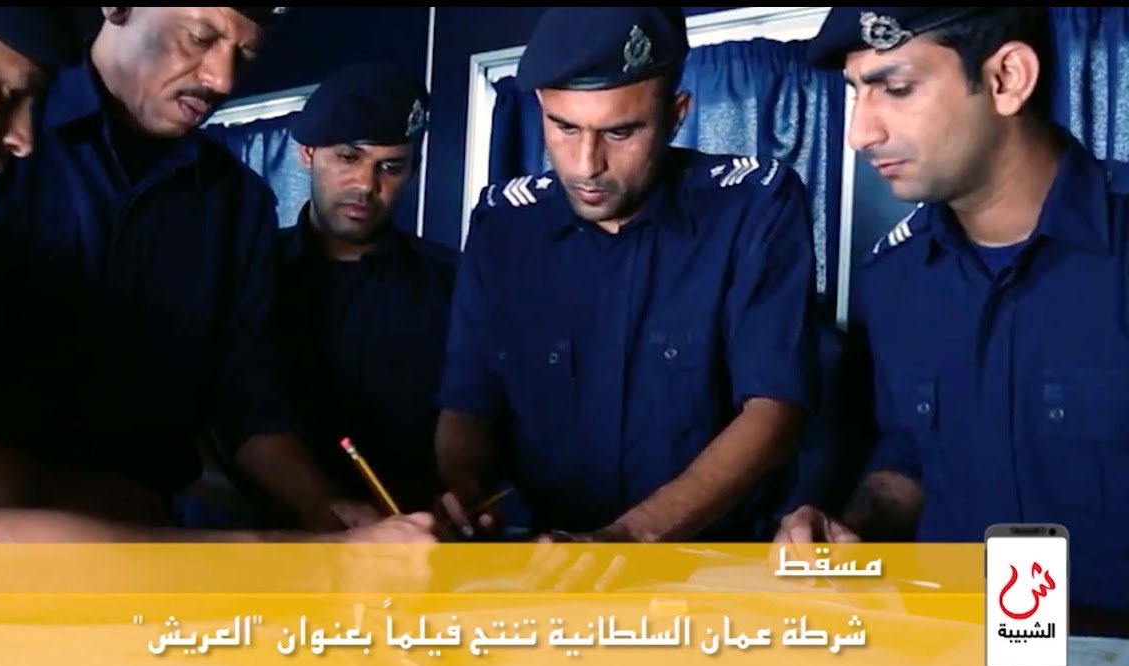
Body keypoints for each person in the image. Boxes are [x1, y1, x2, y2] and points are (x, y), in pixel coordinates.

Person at [0, 6, 439, 578]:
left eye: (245, 56)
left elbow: (248, 398)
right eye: (199, 36)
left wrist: (320, 508)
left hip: (140, 549)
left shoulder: (236, 206)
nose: (221, 78)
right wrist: (319, 562)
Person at [777, 7, 1128, 627]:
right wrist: (852, 526)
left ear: (1006, 79)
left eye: (896, 88)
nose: (860, 133)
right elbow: (910, 459)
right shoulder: (896, 278)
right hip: (950, 646)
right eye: (856, 94)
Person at [436, 6, 818, 542]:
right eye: (564, 127)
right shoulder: (504, 225)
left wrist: (630, 538)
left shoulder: (753, 207)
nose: (586, 165)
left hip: (709, 561)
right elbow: (467, 403)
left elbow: (773, 411)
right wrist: (466, 494)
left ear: (676, 114)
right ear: (541, 106)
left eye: (619, 132)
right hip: (546, 556)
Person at [268, 62, 458, 522]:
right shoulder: (250, 273)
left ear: (412, 171)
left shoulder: (453, 284)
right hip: (260, 538)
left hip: (407, 541)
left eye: (390, 167)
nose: (366, 186)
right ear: (308, 153)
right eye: (348, 158)